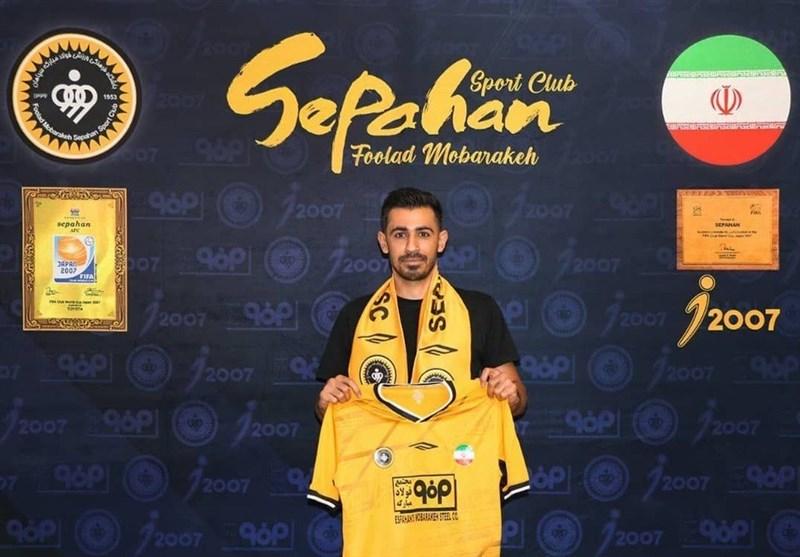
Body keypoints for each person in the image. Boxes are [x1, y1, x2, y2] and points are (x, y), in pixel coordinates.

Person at [315, 187, 527, 420]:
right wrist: (325, 404)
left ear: (441, 241)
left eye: (423, 234)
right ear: (384, 242)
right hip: (377, 445)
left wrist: (510, 396)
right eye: (400, 234)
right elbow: (328, 405)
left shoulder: (479, 310)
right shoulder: (355, 315)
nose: (412, 247)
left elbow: (518, 399)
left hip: (455, 444)